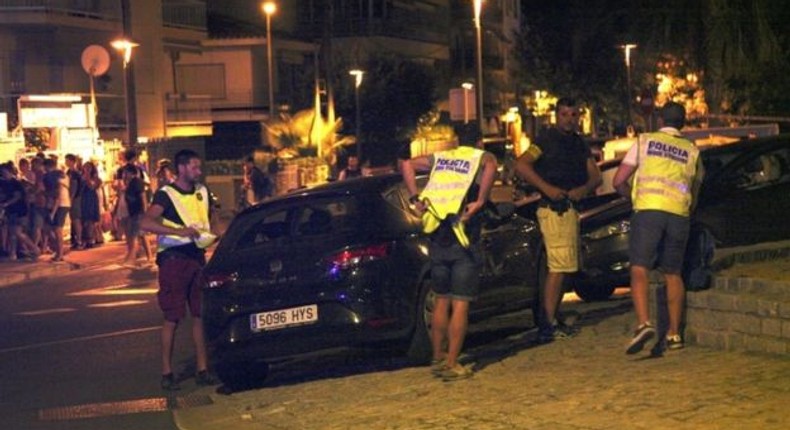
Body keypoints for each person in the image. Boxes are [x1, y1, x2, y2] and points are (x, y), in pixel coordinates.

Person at [401, 139, 497, 381]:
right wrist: (481, 200)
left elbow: (406, 165)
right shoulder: (479, 158)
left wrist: (415, 198)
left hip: (437, 242)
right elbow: (492, 165)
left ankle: (437, 357)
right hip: (464, 241)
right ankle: (452, 362)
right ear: (478, 143)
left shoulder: (441, 159)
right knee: (461, 303)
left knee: (441, 300)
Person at [612, 101, 705, 354]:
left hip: (649, 211)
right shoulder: (692, 151)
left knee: (639, 268)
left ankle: (643, 324)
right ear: (683, 123)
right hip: (678, 215)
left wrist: (632, 196)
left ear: (661, 120)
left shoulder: (645, 142)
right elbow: (695, 192)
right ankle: (675, 334)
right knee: (673, 273)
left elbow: (618, 179)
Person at [514, 97, 602, 343]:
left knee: (566, 267)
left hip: (570, 207)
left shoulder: (578, 143)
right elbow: (521, 165)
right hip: (554, 209)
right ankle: (548, 323)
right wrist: (548, 189)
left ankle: (552, 317)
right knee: (559, 267)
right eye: (564, 114)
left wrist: (582, 190)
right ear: (556, 116)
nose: (569, 119)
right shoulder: (545, 141)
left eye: (573, 115)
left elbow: (595, 177)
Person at [140, 149, 217, 390]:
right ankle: (167, 372)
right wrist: (179, 232)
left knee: (199, 314)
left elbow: (210, 219)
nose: (198, 171)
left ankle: (202, 369)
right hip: (173, 259)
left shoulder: (202, 191)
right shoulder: (166, 194)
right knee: (172, 317)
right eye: (194, 167)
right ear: (182, 168)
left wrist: (213, 235)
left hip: (197, 256)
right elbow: (145, 222)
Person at [0, 163, 40, 261]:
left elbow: (17, 196)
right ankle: (12, 254)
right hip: (10, 211)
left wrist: (6, 204)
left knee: (17, 232)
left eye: (4, 172)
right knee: (12, 232)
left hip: (19, 210)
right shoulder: (4, 183)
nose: (3, 174)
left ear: (9, 172)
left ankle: (34, 249)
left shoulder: (15, 183)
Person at [121, 164, 153, 266]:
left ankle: (131, 259)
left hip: (138, 213)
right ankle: (150, 257)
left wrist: (145, 213)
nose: (124, 175)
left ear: (132, 173)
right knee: (142, 236)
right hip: (135, 213)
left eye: (126, 172)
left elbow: (143, 197)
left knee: (134, 236)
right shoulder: (131, 183)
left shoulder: (137, 182)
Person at [42, 158, 70, 262]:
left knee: (57, 230)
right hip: (61, 203)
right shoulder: (61, 175)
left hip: (60, 204)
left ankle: (60, 253)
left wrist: (53, 211)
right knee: (51, 229)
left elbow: (56, 194)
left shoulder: (55, 176)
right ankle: (59, 251)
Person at [80, 161, 102, 249]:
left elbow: (92, 187)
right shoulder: (81, 177)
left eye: (88, 168)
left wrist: (87, 176)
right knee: (84, 220)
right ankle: (85, 239)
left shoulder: (96, 179)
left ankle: (91, 239)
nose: (86, 169)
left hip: (91, 199)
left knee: (90, 220)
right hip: (83, 199)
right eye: (85, 167)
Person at [65, 154, 84, 250]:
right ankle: (76, 240)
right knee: (74, 219)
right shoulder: (69, 172)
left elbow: (74, 187)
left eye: (67, 160)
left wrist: (71, 199)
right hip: (73, 198)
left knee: (76, 219)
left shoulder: (74, 173)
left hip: (75, 198)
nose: (66, 162)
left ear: (72, 161)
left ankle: (79, 240)